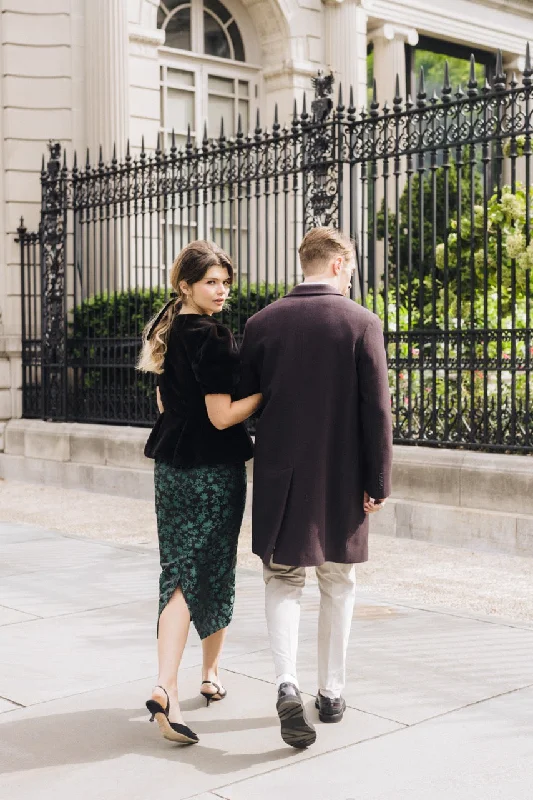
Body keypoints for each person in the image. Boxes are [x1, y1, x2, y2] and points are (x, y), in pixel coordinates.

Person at [237, 226, 393, 749]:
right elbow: (377, 412)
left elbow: (247, 402)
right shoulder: (362, 323)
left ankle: (286, 682)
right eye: (349, 268)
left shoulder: (261, 323)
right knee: (338, 583)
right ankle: (330, 693)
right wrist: (377, 482)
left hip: (281, 474)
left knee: (282, 581)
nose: (350, 277)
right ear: (336, 264)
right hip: (343, 479)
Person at [138, 240, 262, 745]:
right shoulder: (214, 337)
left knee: (180, 571)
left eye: (225, 282)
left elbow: (167, 402)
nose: (222, 291)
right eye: (211, 281)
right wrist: (268, 393)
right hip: (212, 473)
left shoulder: (169, 330)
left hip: (171, 469)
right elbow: (222, 415)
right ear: (185, 285)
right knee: (208, 571)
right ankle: (174, 683)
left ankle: (196, 679)